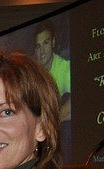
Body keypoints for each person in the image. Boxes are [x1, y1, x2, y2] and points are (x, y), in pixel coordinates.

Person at [34, 20, 71, 159]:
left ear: (53, 42)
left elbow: (77, 102)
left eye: (46, 43)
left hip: (53, 133)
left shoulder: (64, 68)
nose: (42, 51)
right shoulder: (33, 74)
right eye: (38, 46)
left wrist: (50, 125)